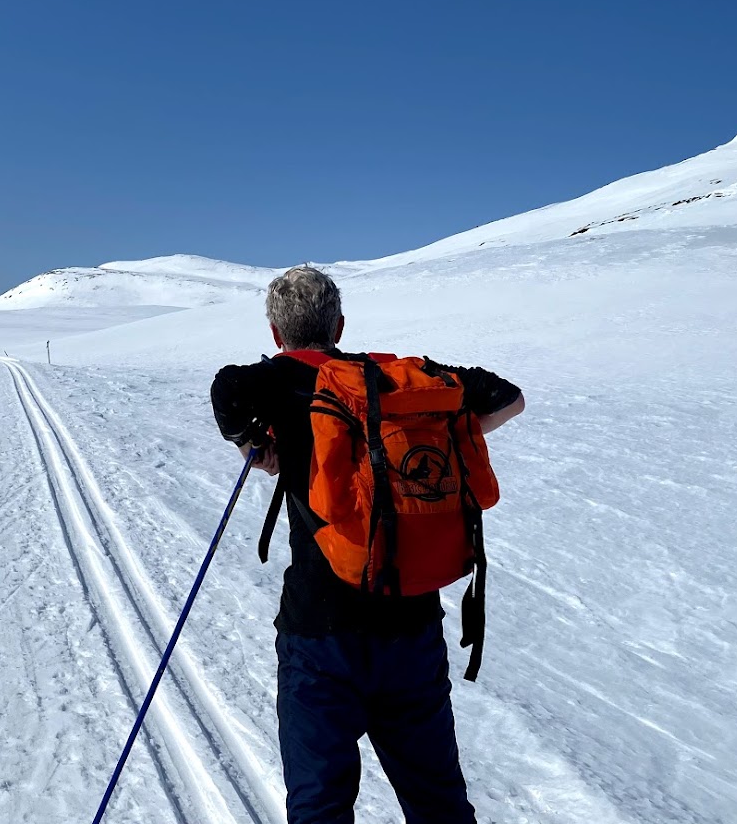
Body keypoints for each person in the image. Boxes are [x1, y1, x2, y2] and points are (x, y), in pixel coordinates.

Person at [209, 265, 524, 824]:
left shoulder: (272, 382)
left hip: (319, 633)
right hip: (412, 623)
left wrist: (255, 446)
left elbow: (227, 389)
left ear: (277, 335)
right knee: (438, 801)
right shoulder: (396, 381)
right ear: (340, 325)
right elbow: (508, 397)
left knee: (321, 805)